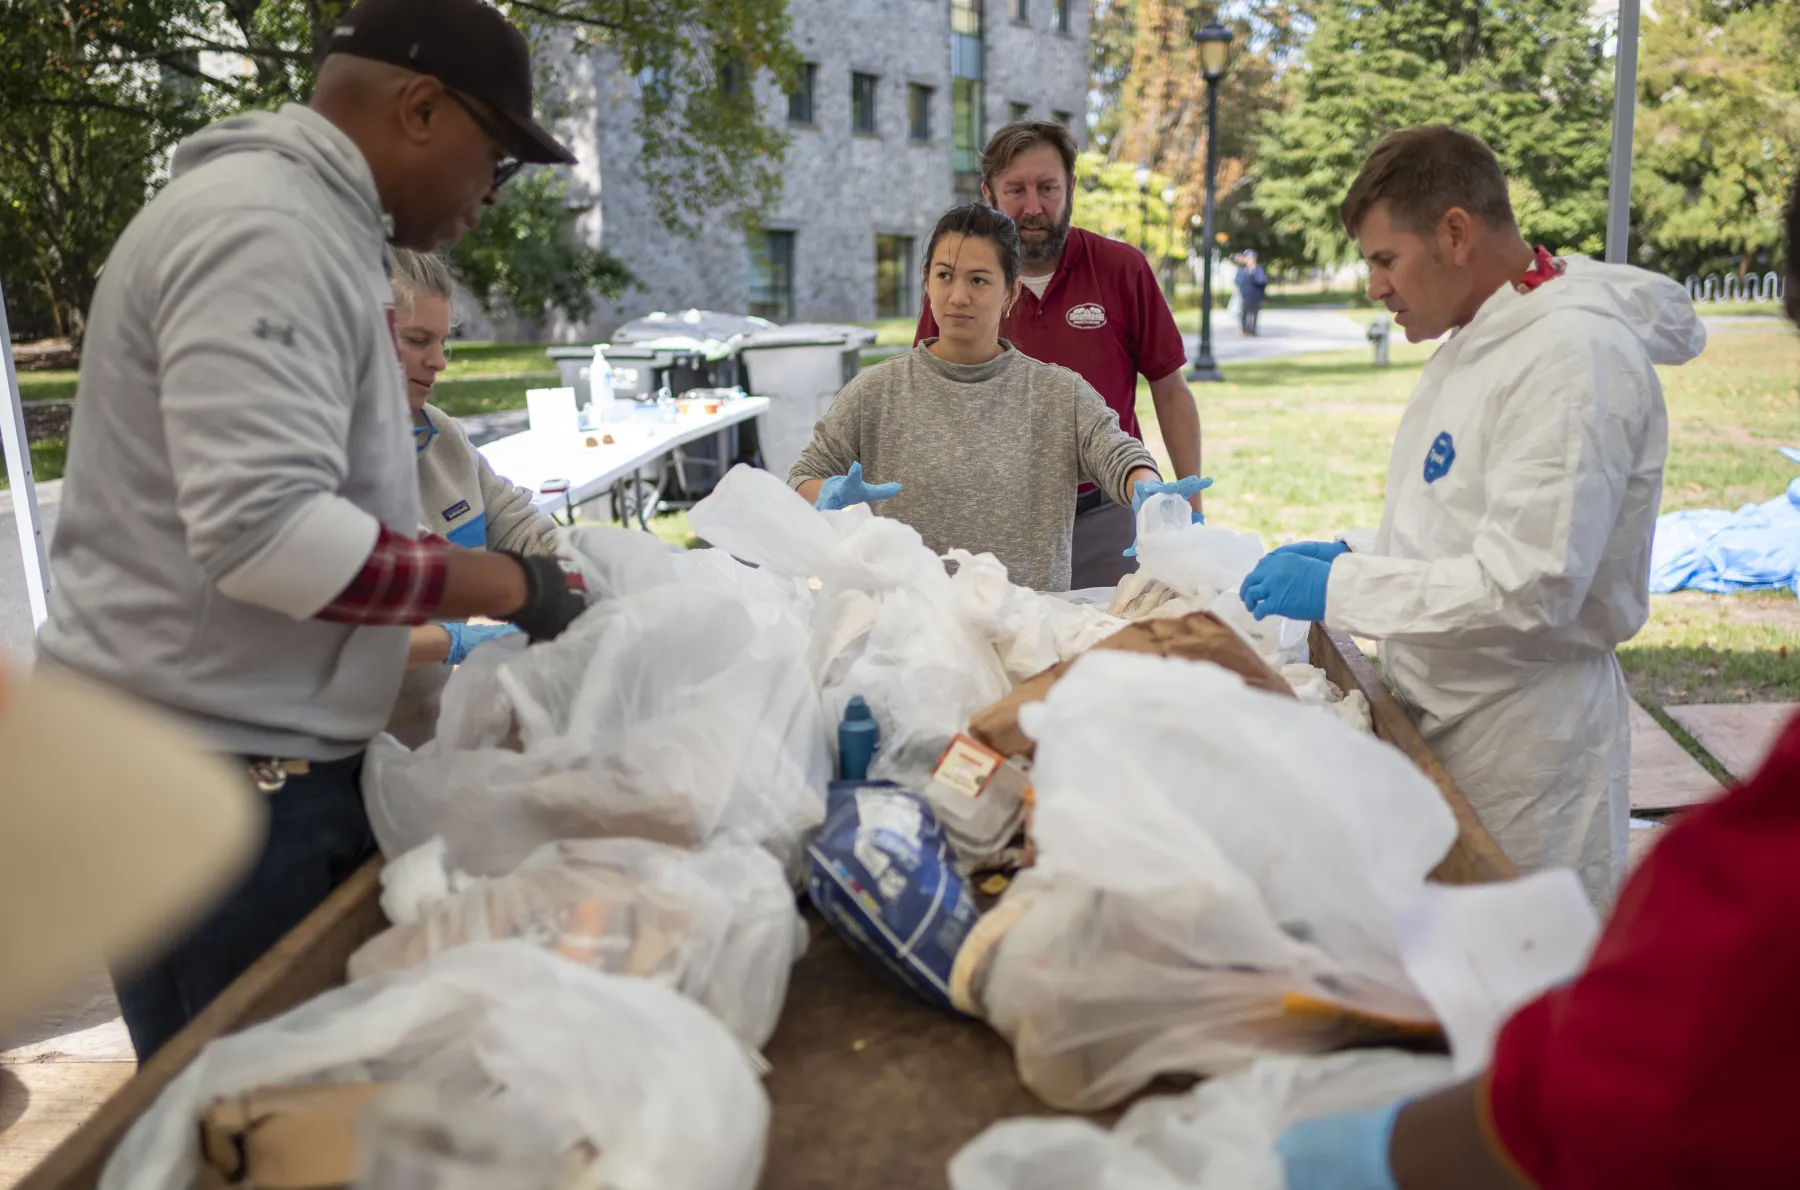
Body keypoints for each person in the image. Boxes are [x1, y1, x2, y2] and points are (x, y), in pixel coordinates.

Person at [36, 0, 591, 1060]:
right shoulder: (267, 231)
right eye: (496, 159)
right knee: (239, 1112)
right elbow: (264, 537)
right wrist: (507, 589)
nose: (488, 196)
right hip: (211, 778)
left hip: (255, 759)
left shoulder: (313, 229)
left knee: (295, 1105)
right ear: (422, 107)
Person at [1237, 126, 1704, 909]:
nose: (1375, 287)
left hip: (1526, 753)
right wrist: (1353, 554)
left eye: (1386, 260)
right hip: (1459, 719)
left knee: (1515, 987)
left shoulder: (1570, 358)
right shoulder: (1490, 334)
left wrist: (1343, 590)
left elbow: (1530, 586)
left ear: (1456, 232)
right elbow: (1460, 527)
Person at [791, 203, 1192, 593]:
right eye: (945, 276)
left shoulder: (1058, 394)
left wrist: (1146, 487)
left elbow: (1119, 454)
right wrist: (823, 492)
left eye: (979, 280)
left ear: (1010, 293)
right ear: (926, 280)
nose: (958, 295)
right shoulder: (875, 391)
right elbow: (804, 475)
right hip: (907, 630)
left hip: (1027, 634)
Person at [914, 121, 1205, 588]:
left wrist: (1191, 511)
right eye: (1016, 190)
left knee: (1113, 648)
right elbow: (929, 398)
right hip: (996, 524)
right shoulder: (960, 286)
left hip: (1108, 517)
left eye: (1048, 188)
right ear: (989, 194)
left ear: (1070, 187)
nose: (1033, 207)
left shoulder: (1122, 269)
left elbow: (1170, 392)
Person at [386, 247, 561, 747]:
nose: (438, 362)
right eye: (417, 340)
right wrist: (469, 637)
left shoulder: (443, 438)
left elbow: (519, 526)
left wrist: (584, 574)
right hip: (340, 756)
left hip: (426, 740)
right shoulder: (321, 460)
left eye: (443, 342)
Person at [1235, 249, 1268, 335]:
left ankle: (1253, 330)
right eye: (1247, 258)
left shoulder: (1258, 269)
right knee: (1244, 312)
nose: (1249, 260)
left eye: (1251, 258)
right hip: (1245, 295)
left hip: (1256, 295)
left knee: (1255, 313)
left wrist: (1253, 273)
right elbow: (1237, 281)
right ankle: (1244, 329)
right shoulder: (1242, 269)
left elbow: (1261, 281)